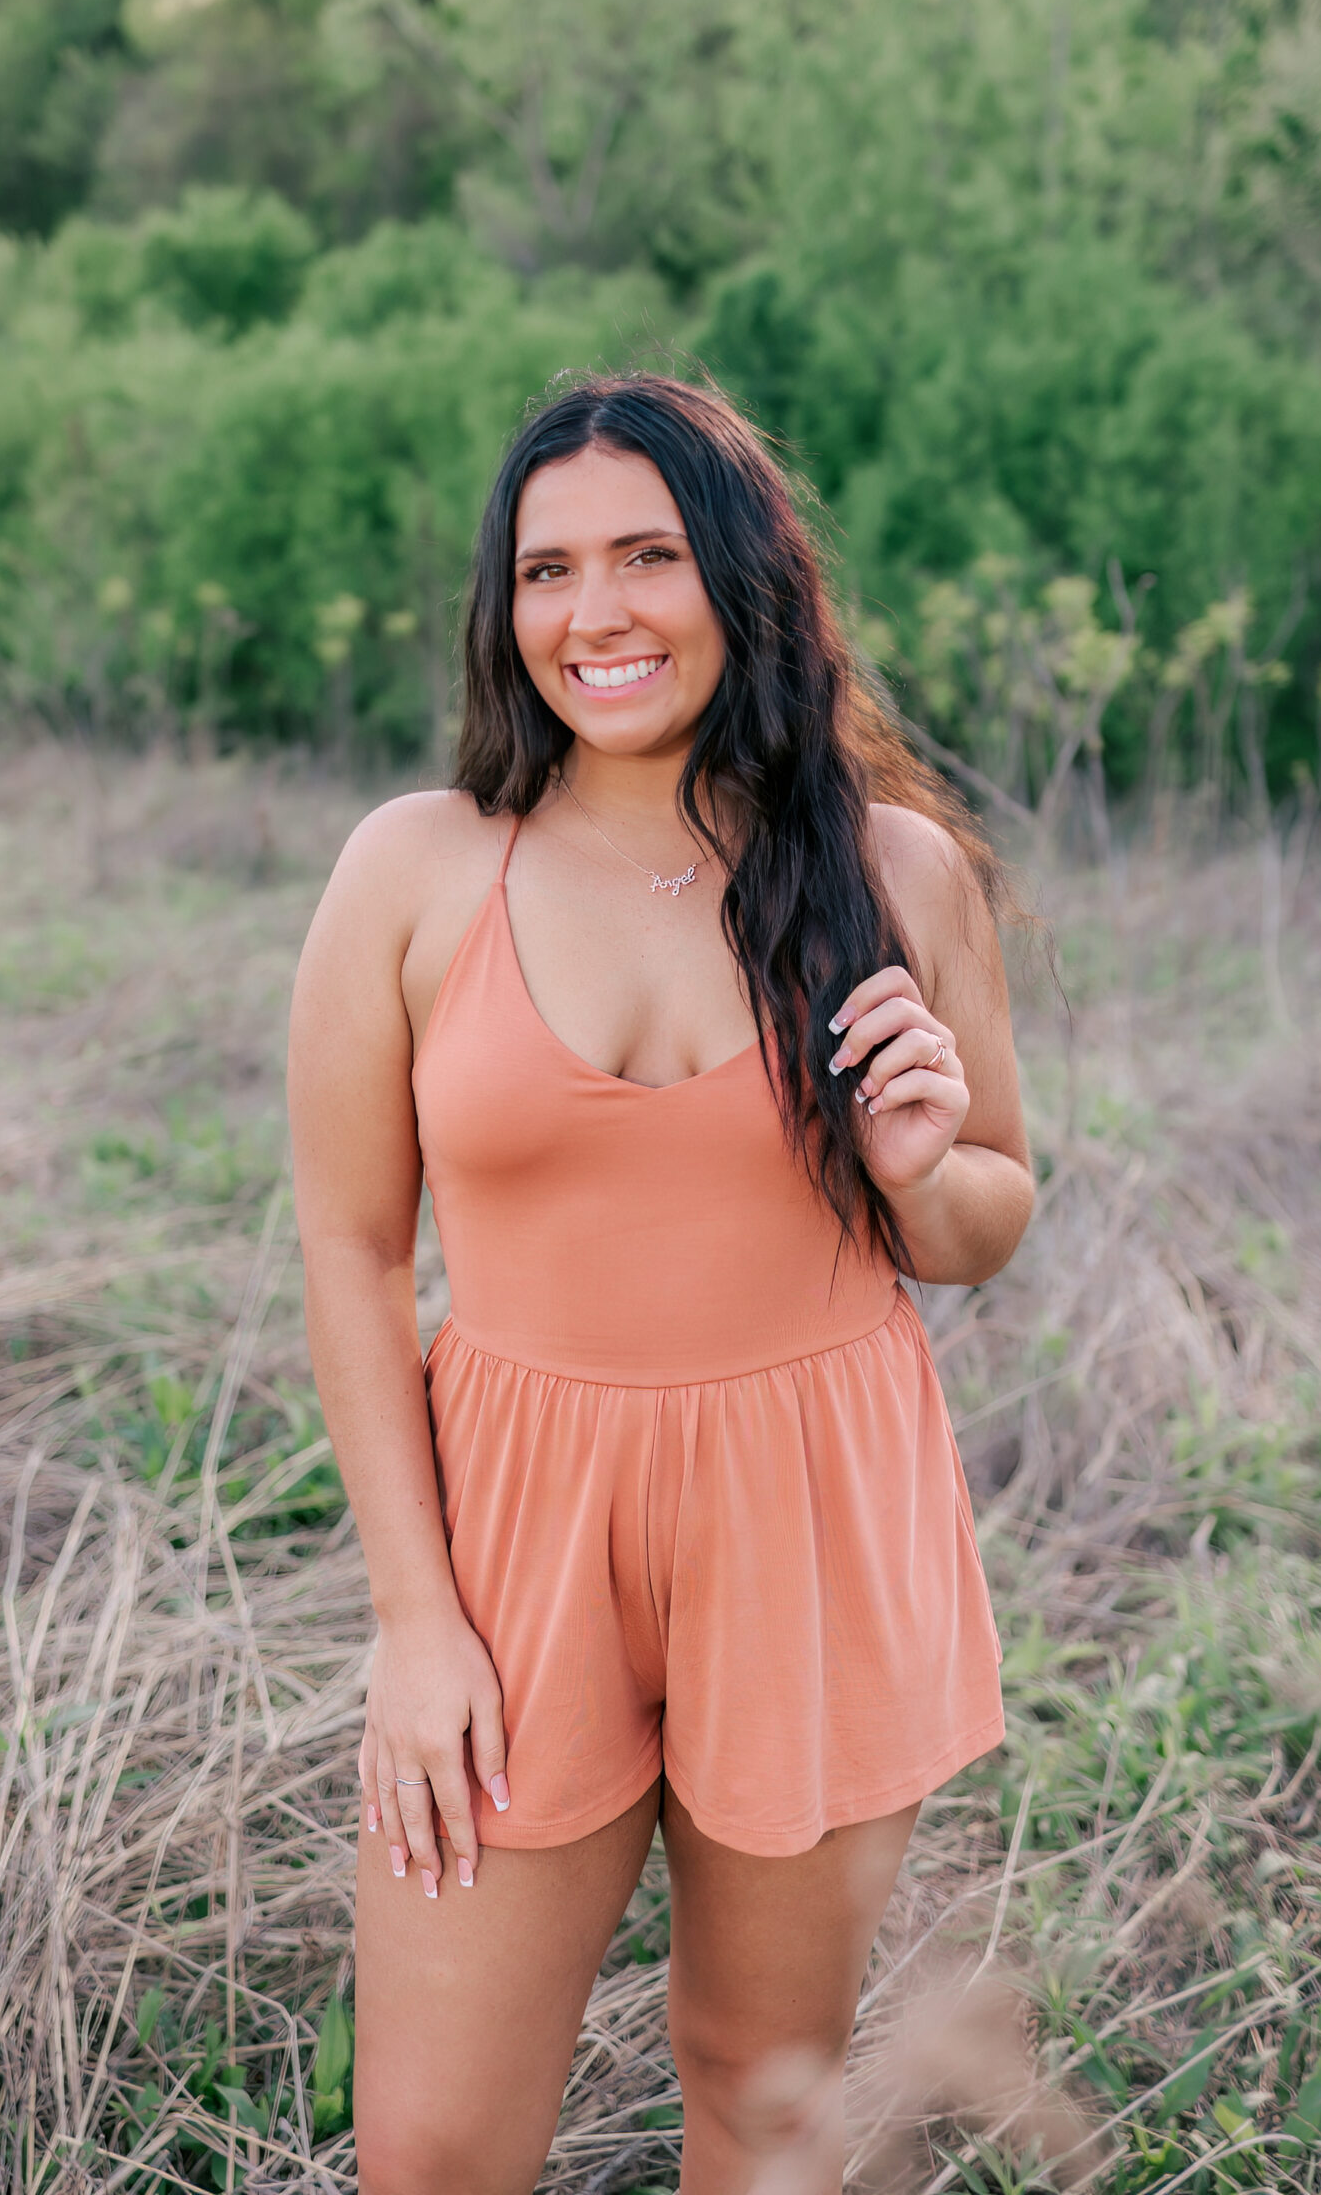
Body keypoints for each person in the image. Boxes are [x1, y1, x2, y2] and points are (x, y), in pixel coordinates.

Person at [286, 373, 1034, 2195]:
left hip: (811, 1511)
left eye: (648, 556)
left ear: (742, 581)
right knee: (433, 2147)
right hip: (515, 1529)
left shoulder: (890, 870)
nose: (593, 612)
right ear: (502, 606)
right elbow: (354, 1246)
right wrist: (414, 1621)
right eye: (547, 570)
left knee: (757, 2088)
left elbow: (987, 1222)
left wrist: (923, 1168)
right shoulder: (414, 868)